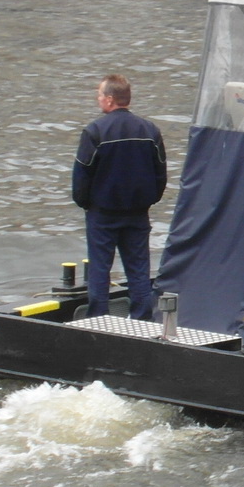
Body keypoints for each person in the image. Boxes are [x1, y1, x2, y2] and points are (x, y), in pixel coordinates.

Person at [72, 73, 167, 320]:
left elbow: (82, 176)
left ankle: (99, 320)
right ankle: (142, 320)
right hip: (138, 213)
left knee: (100, 270)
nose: (98, 98)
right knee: (138, 271)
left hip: (102, 214)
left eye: (100, 94)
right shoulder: (150, 131)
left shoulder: (94, 132)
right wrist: (149, 200)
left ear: (110, 99)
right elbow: (160, 173)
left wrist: (86, 204)